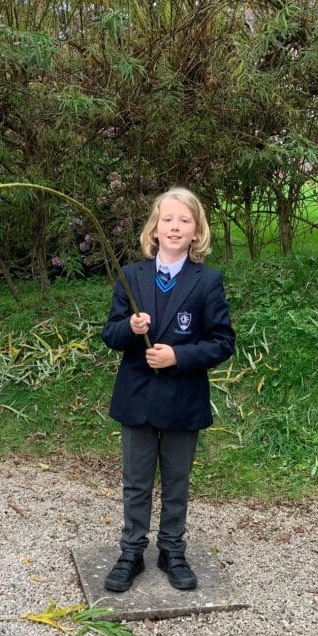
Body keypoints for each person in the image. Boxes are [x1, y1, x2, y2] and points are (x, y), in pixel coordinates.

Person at [101, 187, 235, 592]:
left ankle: (172, 549)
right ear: (154, 229)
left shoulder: (207, 281)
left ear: (196, 232)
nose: (175, 227)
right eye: (167, 220)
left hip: (182, 400)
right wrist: (131, 329)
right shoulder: (132, 276)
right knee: (136, 480)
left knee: (176, 480)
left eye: (184, 220)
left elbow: (222, 342)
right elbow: (110, 333)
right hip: (137, 399)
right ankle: (132, 552)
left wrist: (177, 357)